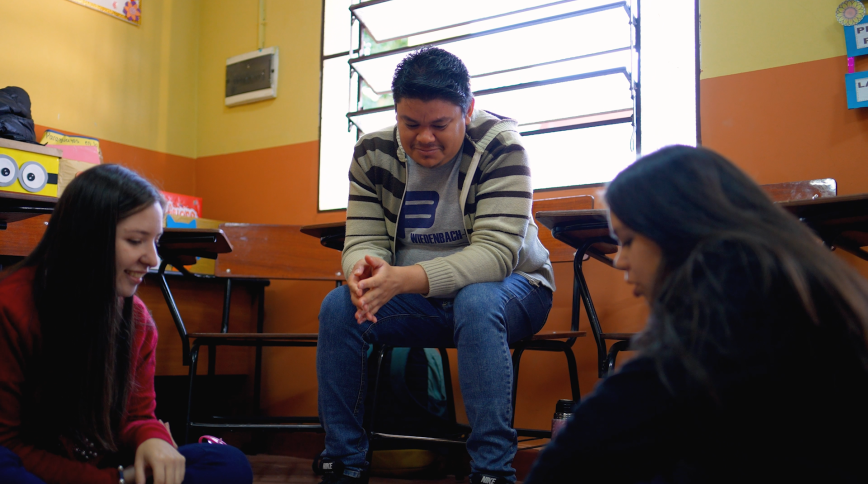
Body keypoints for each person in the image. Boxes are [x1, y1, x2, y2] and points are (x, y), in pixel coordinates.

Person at [524, 145, 868, 483]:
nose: (619, 260)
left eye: (627, 240)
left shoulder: (720, 329)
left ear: (678, 231)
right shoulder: (808, 293)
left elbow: (564, 464)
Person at [316, 47, 555, 484]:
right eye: (411, 124)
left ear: (469, 109)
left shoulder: (501, 146)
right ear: (396, 113)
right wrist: (362, 271)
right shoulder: (372, 153)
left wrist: (404, 279)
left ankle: (492, 471)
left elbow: (497, 254)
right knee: (338, 309)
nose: (424, 137)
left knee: (477, 300)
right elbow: (363, 239)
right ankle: (343, 462)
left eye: (440, 125)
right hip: (420, 300)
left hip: (517, 289)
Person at [0, 164, 253, 484]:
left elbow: (137, 415)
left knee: (226, 463)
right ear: (86, 238)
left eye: (156, 241)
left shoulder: (138, 320)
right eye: (135, 240)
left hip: (110, 466)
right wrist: (117, 481)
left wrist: (153, 439)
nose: (153, 259)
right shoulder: (11, 307)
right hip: (40, 470)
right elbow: (8, 443)